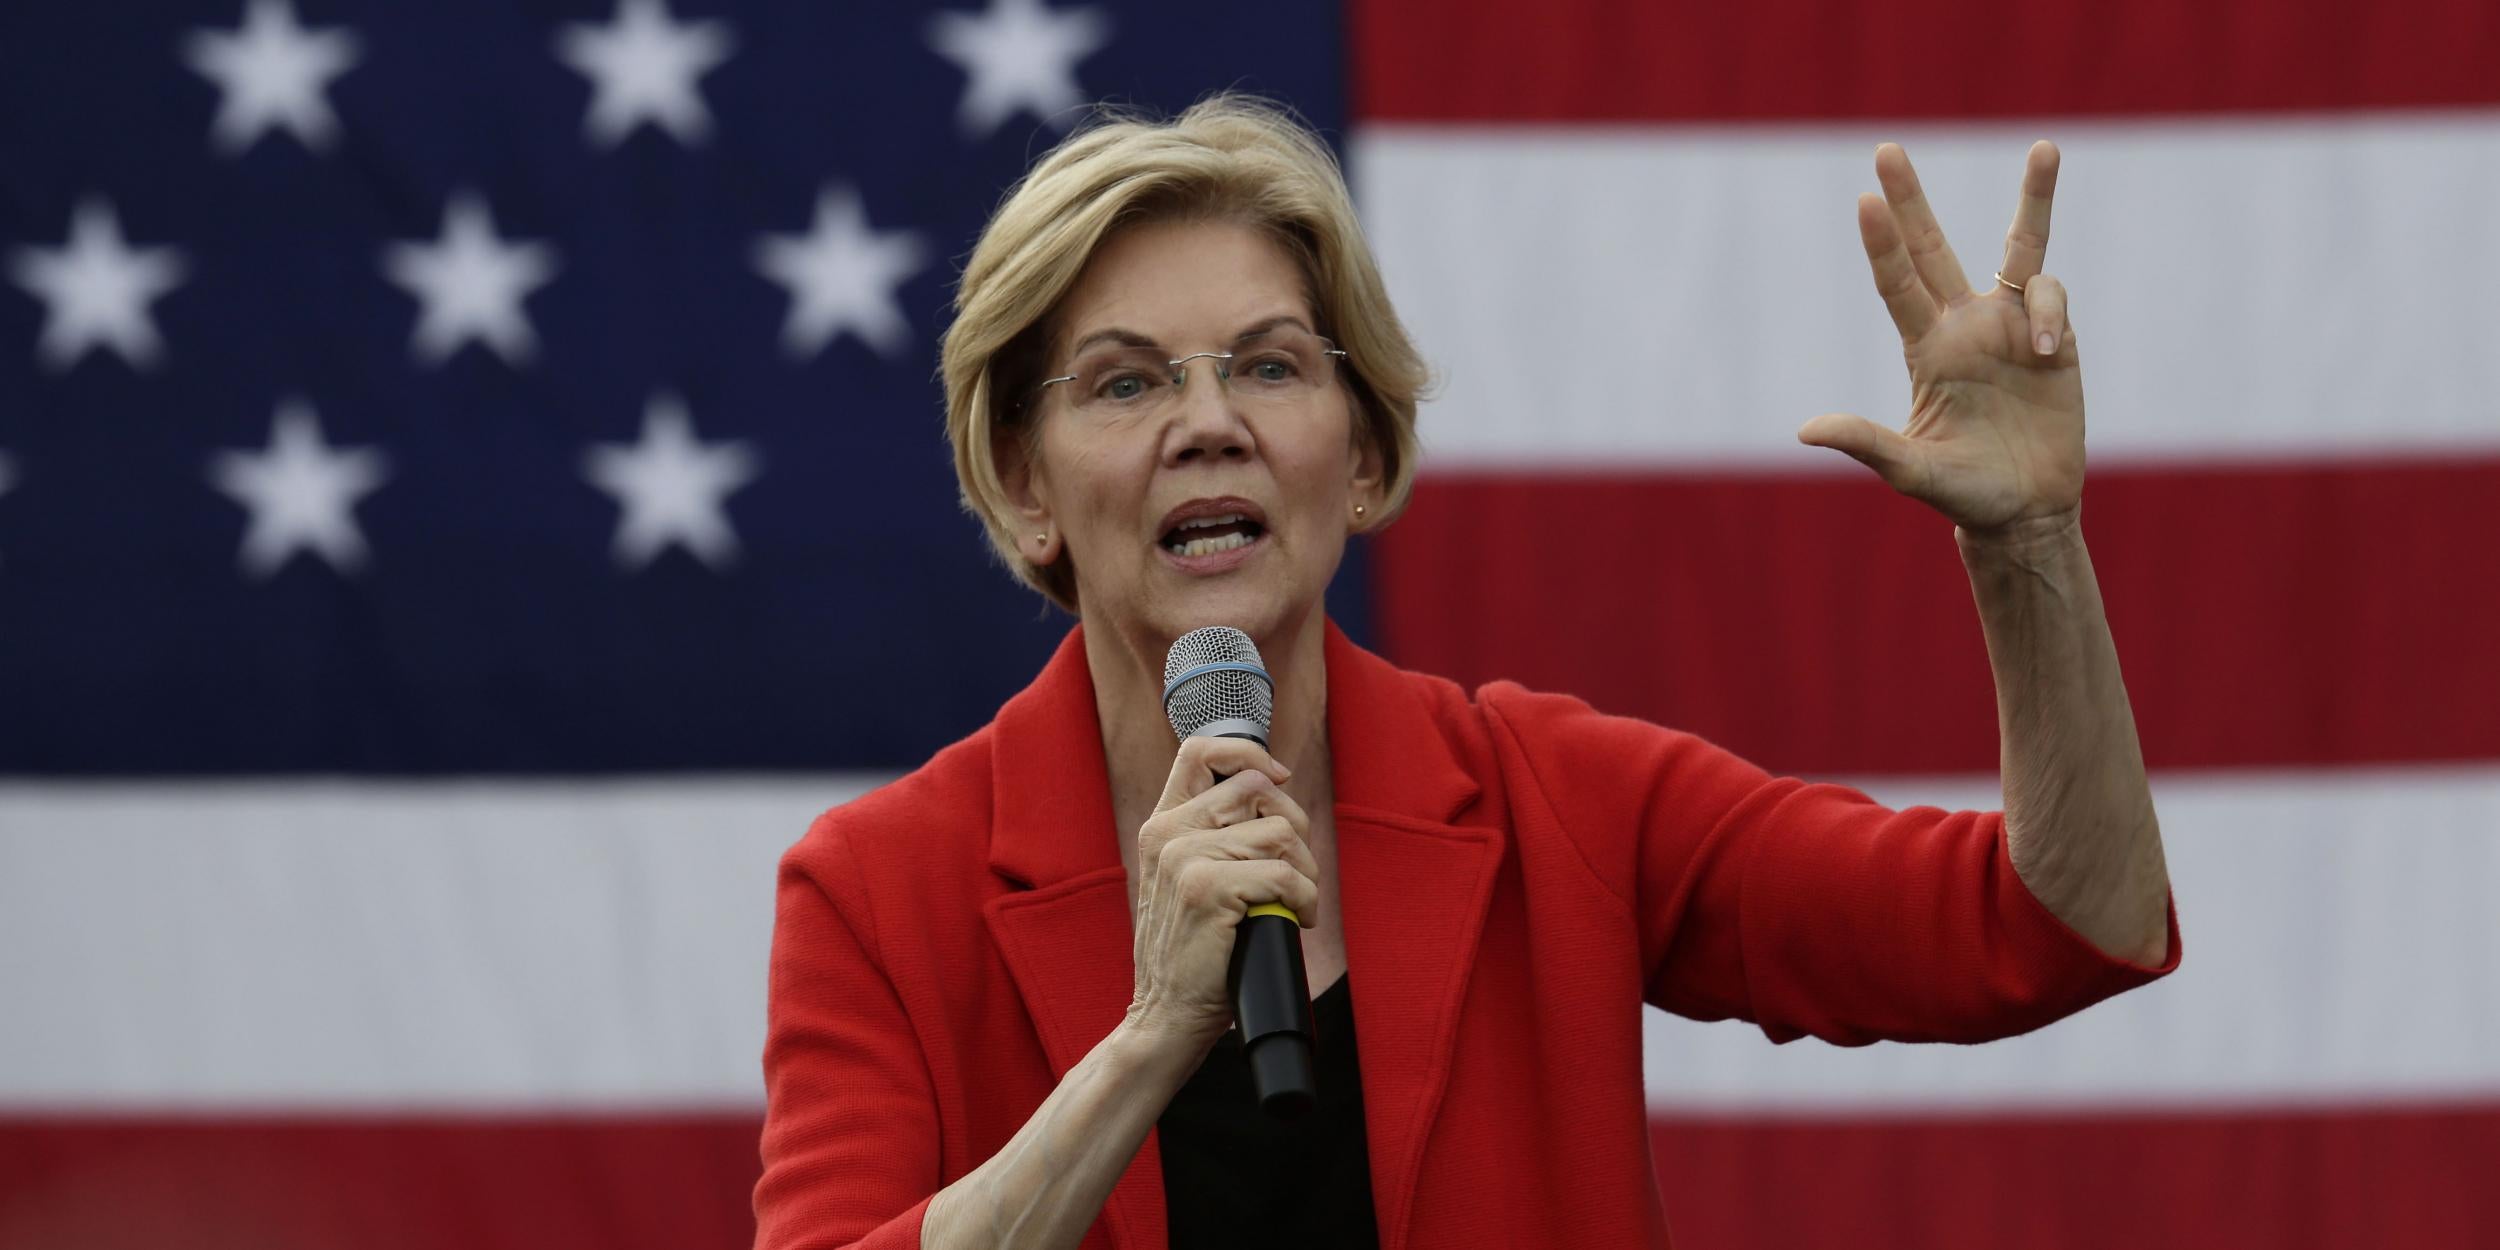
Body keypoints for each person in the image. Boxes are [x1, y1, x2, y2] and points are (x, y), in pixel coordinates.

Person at [751, 94, 2180, 1250]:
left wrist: (2029, 545)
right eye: (1127, 381)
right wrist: (1149, 1042)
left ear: (1362, 458)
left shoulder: (1554, 800)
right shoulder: (882, 895)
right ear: (1023, 488)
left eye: (1268, 367)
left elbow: (2062, 923)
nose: (1208, 423)